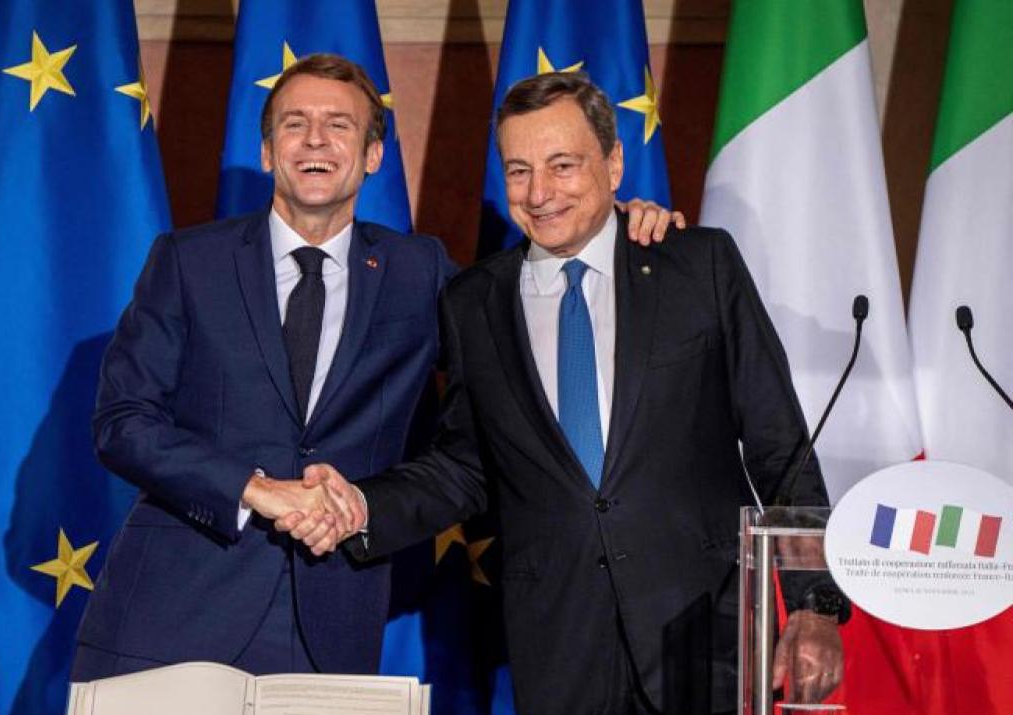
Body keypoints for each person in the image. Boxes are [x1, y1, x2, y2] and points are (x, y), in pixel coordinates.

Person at [274, 72, 845, 715]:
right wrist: (361, 507)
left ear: (613, 164)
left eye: (563, 165)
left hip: (704, 637)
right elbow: (464, 467)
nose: (539, 192)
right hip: (560, 653)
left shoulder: (698, 265)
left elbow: (781, 446)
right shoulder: (473, 303)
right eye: (519, 170)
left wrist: (815, 605)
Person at [72, 56, 679, 680]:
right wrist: (256, 490)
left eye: (339, 125)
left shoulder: (420, 272)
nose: (315, 139)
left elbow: (530, 332)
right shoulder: (188, 262)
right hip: (171, 615)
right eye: (295, 124)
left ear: (372, 156)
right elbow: (123, 422)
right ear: (267, 151)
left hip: (330, 620)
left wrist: (611, 226)